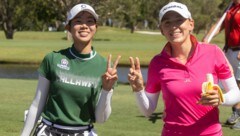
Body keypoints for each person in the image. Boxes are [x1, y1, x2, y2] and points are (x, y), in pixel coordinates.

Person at [128, 2, 240, 136]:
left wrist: (221, 99)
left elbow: (236, 93)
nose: (174, 26)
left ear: (191, 24)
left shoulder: (213, 52)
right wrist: (138, 89)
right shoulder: (157, 63)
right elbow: (148, 110)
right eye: (167, 22)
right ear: (161, 30)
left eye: (179, 20)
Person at [21, 3, 121, 136]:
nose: (84, 25)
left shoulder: (105, 67)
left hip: (84, 132)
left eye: (90, 21)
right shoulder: (53, 59)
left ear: (96, 27)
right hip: (49, 131)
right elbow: (37, 105)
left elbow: (101, 119)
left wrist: (106, 90)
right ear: (69, 27)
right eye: (78, 21)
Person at [202, 0, 240, 130]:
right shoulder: (230, 7)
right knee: (233, 84)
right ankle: (236, 112)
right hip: (229, 50)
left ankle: (238, 113)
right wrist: (207, 38)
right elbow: (219, 25)